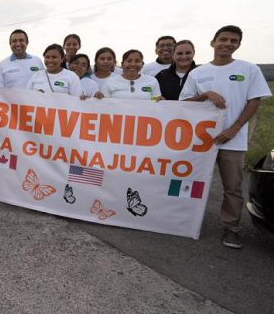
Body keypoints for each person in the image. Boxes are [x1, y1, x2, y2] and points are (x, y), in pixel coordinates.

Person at [180, 25, 271, 249]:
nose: (227, 44)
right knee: (190, 182)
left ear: (238, 45)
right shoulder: (198, 73)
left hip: (233, 140)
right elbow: (184, 103)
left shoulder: (249, 69)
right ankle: (185, 222)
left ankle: (231, 228)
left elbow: (254, 101)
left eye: (233, 41)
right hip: (200, 141)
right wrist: (205, 94)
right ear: (213, 42)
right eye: (223, 39)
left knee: (232, 187)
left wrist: (234, 128)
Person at [97, 49, 162, 100]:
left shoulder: (152, 81)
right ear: (122, 64)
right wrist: (98, 98)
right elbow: (104, 104)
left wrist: (159, 100)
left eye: (137, 61)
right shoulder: (110, 82)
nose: (133, 64)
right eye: (129, 61)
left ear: (142, 64)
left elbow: (155, 100)